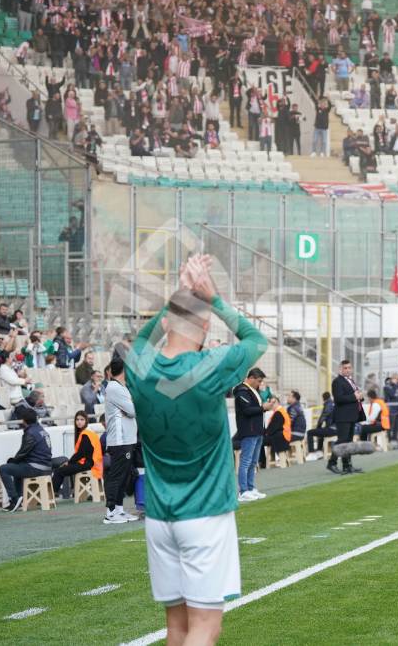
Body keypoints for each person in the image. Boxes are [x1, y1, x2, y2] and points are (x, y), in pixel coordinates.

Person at [123, 254, 267, 644]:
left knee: (176, 627)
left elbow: (142, 340)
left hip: (158, 515)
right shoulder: (211, 365)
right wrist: (213, 298)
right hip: (205, 514)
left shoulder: (138, 367)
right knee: (204, 627)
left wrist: (179, 295)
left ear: (167, 321)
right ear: (205, 327)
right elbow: (257, 340)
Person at [103, 358, 139, 524]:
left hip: (127, 438)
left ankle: (118, 509)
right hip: (119, 439)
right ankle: (110, 513)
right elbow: (132, 410)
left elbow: (131, 410)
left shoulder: (121, 387)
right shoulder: (114, 388)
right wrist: (131, 407)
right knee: (117, 476)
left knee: (124, 476)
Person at [0, 405, 53, 511]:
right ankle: (19, 498)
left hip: (36, 468)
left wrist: (12, 461)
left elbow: (23, 452)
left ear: (23, 421)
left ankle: (14, 499)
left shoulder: (30, 433)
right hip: (47, 467)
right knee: (17, 467)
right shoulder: (41, 429)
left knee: (4, 469)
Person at [234, 368, 275, 499]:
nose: (259, 384)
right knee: (245, 461)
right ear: (251, 378)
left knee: (253, 462)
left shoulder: (253, 390)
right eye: (258, 381)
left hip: (257, 430)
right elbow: (247, 410)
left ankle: (250, 488)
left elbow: (256, 408)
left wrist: (265, 405)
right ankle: (243, 491)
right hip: (248, 430)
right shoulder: (241, 390)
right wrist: (263, 407)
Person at [52, 411, 103, 498]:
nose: (79, 422)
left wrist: (69, 462)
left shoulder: (85, 434)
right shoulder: (90, 432)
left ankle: (51, 494)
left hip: (88, 464)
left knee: (59, 471)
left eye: (82, 419)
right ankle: (75, 492)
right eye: (77, 420)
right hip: (93, 463)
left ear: (86, 420)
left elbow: (81, 453)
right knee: (67, 468)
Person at [330, 360, 366, 474]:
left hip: (351, 416)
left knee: (349, 442)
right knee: (342, 441)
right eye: (345, 368)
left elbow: (354, 396)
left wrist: (360, 396)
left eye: (349, 368)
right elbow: (338, 399)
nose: (347, 370)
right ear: (340, 369)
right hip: (342, 416)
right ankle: (332, 463)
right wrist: (354, 396)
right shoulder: (337, 382)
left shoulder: (351, 381)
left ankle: (347, 465)